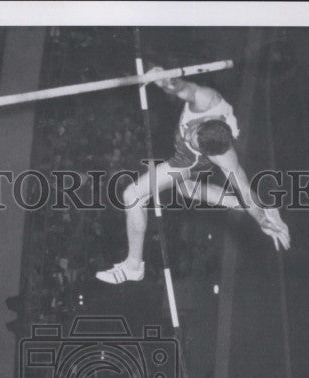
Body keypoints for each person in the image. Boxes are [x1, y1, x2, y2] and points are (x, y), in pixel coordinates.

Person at [96, 68, 290, 284]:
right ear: (203, 121)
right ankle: (259, 207)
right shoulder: (205, 99)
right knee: (186, 188)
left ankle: (133, 267)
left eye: (193, 139)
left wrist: (260, 218)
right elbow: (182, 87)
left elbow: (244, 188)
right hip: (202, 140)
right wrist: (162, 79)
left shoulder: (222, 156)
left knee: (132, 194)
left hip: (188, 160)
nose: (187, 133)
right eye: (193, 131)